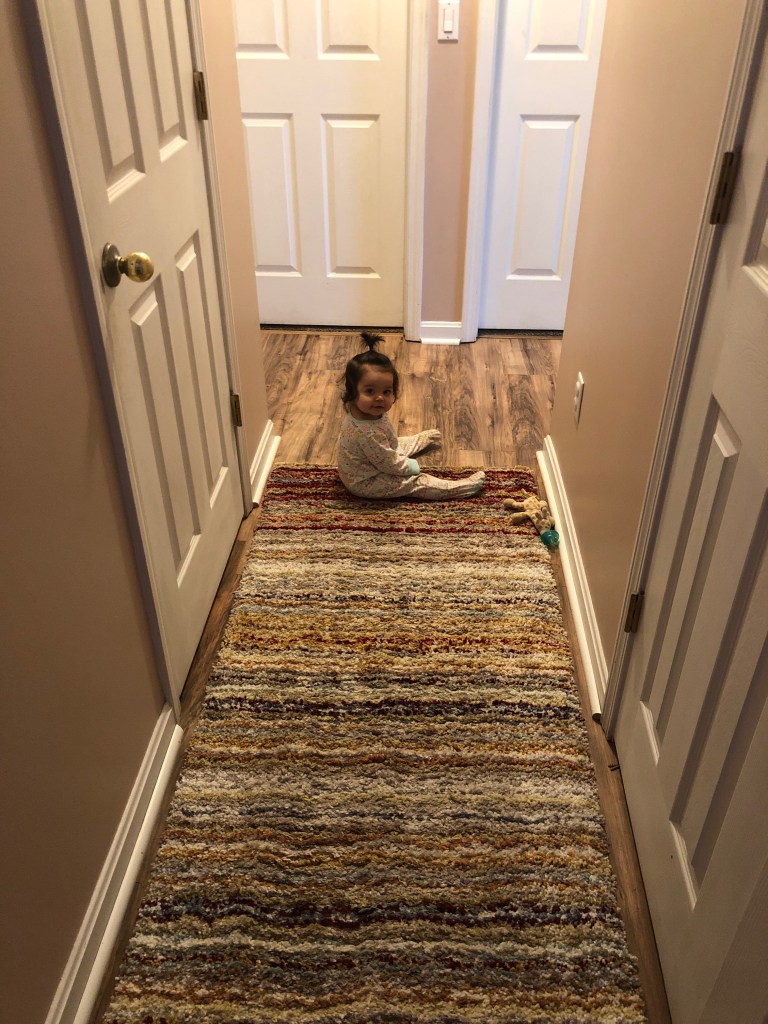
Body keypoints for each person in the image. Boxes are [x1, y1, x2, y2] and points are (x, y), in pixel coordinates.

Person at [337, 333, 485, 500]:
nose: (380, 398)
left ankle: (417, 442)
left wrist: (394, 449)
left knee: (397, 443)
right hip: (366, 481)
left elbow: (387, 442)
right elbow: (389, 464)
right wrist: (411, 467)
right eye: (370, 391)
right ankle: (460, 488)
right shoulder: (367, 433)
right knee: (416, 482)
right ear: (352, 392)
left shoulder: (364, 410)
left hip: (370, 460)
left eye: (386, 391)